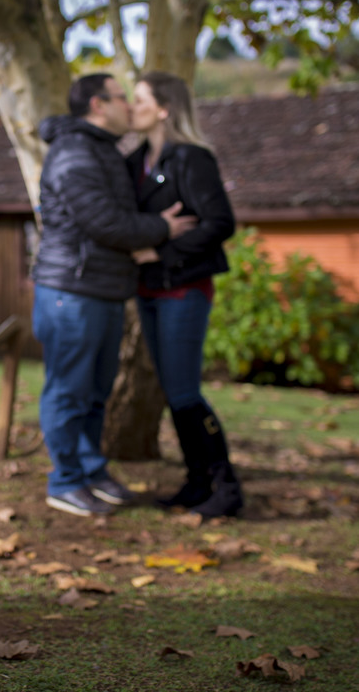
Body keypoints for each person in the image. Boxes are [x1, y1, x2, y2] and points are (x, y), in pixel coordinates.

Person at [32, 73, 198, 517]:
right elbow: (104, 221)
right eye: (122, 97)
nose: (129, 106)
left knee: (96, 391)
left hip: (99, 288)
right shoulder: (73, 152)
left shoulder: (101, 149)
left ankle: (91, 472)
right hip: (71, 290)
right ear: (98, 105)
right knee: (68, 390)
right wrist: (164, 227)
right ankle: (64, 481)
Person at [127, 71, 242, 518]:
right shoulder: (135, 160)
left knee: (184, 392)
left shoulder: (191, 158)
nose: (133, 108)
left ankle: (225, 484)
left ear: (163, 109)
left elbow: (220, 223)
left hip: (185, 288)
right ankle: (198, 481)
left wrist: (160, 249)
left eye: (140, 100)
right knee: (174, 391)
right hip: (149, 290)